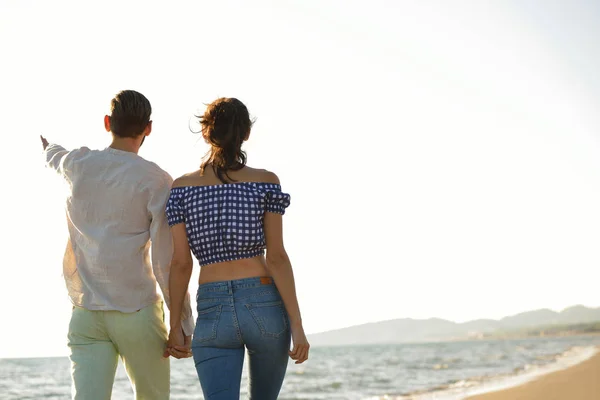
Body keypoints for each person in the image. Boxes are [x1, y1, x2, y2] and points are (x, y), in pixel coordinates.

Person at [41, 90, 194, 400]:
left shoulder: (78, 163)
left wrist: (46, 145)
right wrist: (182, 324)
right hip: (136, 311)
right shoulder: (157, 180)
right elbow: (166, 260)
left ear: (107, 122)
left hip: (86, 313)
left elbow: (53, 155)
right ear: (148, 128)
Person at [165, 97, 309, 399]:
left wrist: (175, 324)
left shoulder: (181, 189)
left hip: (212, 306)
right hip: (263, 301)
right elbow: (278, 257)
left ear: (207, 134)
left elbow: (180, 263)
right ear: (245, 133)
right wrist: (297, 325)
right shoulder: (266, 182)